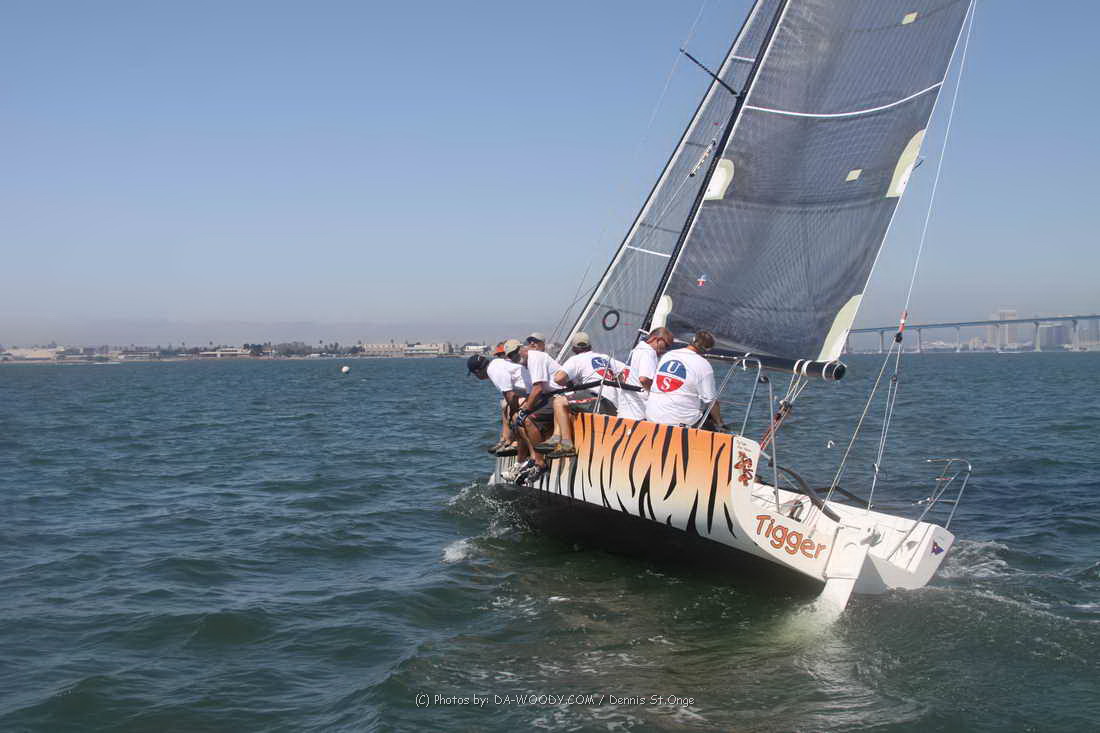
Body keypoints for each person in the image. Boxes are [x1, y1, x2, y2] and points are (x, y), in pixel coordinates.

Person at [537, 331, 626, 454]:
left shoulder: (576, 359)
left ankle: (566, 444)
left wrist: (568, 382)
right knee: (563, 401)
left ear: (574, 348)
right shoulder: (605, 357)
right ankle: (556, 437)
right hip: (615, 404)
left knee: (558, 402)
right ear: (590, 346)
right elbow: (625, 371)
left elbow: (558, 379)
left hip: (599, 400)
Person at [503, 335, 565, 483]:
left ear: (522, 348)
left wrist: (525, 409)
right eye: (511, 356)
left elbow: (538, 389)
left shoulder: (535, 357)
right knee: (517, 419)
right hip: (547, 396)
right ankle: (531, 458)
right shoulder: (524, 366)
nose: (515, 356)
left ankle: (540, 463)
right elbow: (532, 393)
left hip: (560, 395)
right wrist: (520, 411)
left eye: (516, 352)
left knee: (527, 419)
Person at [645, 330, 722, 429]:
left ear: (692, 340)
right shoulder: (704, 365)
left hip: (651, 416)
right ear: (708, 349)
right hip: (679, 422)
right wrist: (720, 423)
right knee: (712, 423)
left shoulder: (668, 355)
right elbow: (711, 401)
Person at [467, 340, 525, 454]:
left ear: (477, 371)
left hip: (535, 392)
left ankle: (516, 443)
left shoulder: (494, 371)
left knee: (512, 413)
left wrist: (512, 415)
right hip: (527, 391)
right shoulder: (495, 363)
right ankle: (505, 439)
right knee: (506, 406)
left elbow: (510, 395)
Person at [616, 327, 673, 420]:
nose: (665, 350)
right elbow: (644, 379)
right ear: (656, 339)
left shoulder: (638, 348)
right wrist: (656, 395)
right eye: (666, 345)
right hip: (638, 411)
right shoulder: (649, 352)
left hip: (626, 406)